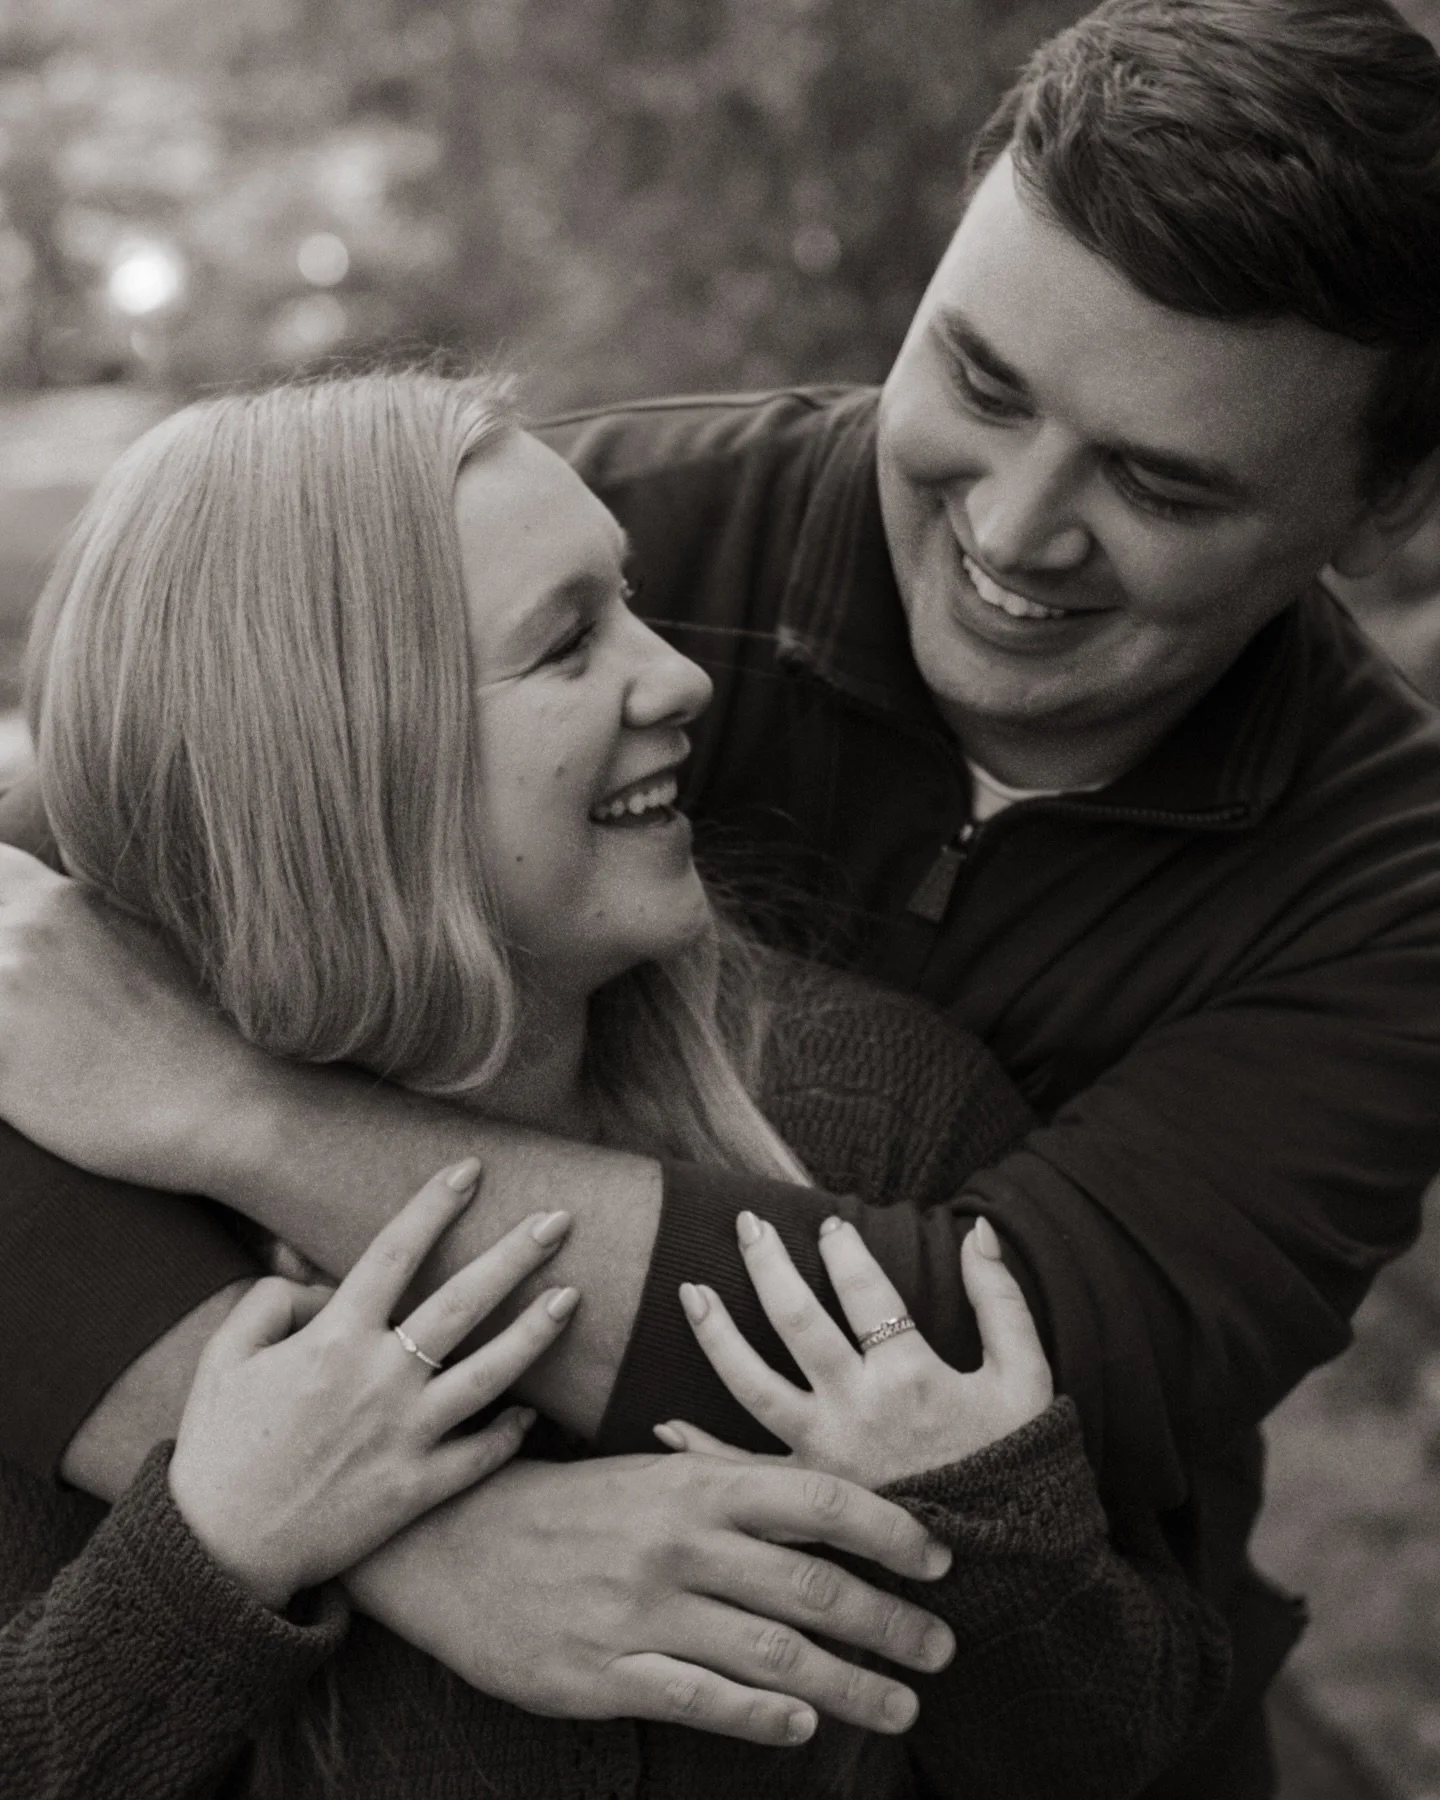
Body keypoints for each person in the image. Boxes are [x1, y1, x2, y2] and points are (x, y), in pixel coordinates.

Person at [0, 0, 1438, 1793]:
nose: (1013, 526)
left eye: (1158, 481)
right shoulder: (573, 534)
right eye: (979, 384)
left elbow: (1012, 1370)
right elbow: (45, 957)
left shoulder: (1391, 899)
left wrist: (220, 1113)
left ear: (1376, 506)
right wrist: (401, 1535)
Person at [0, 371, 1227, 1800]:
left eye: (630, 602)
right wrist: (208, 1560)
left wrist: (993, 1533)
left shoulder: (875, 1106)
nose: (682, 676)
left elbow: (1141, 1734)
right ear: (346, 754)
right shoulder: (64, 1244)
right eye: (570, 641)